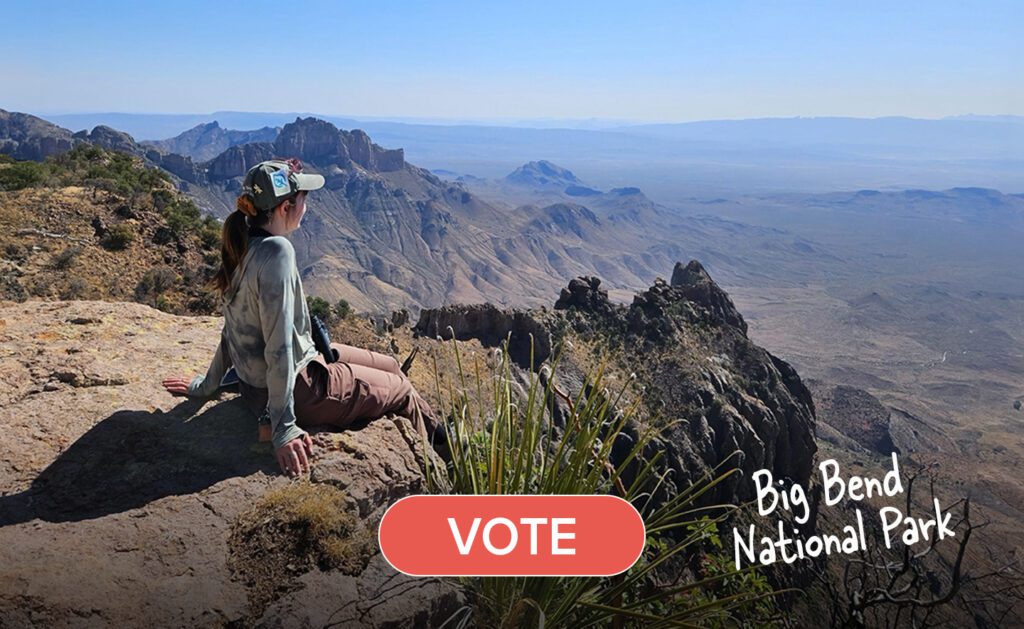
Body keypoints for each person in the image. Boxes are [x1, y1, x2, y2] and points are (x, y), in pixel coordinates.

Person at [161, 159, 440, 477]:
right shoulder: (278, 251)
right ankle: (444, 462)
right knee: (402, 391)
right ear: (284, 208)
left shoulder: (244, 243)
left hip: (274, 379)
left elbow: (234, 330)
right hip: (300, 388)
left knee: (391, 366)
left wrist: (206, 385)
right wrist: (284, 429)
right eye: (303, 197)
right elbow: (278, 345)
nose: (307, 206)